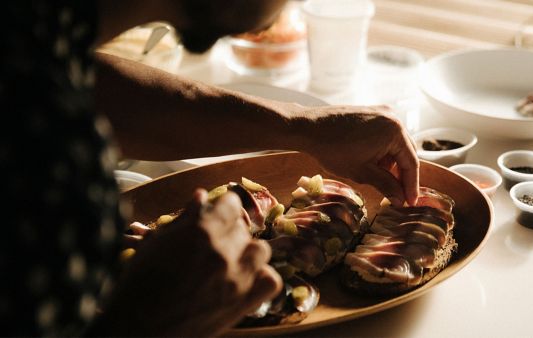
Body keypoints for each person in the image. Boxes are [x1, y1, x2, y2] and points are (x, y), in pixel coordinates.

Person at [1, 0, 419, 336]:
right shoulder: (48, 156)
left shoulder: (36, 30)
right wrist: (152, 319)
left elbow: (95, 88)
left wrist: (303, 127)